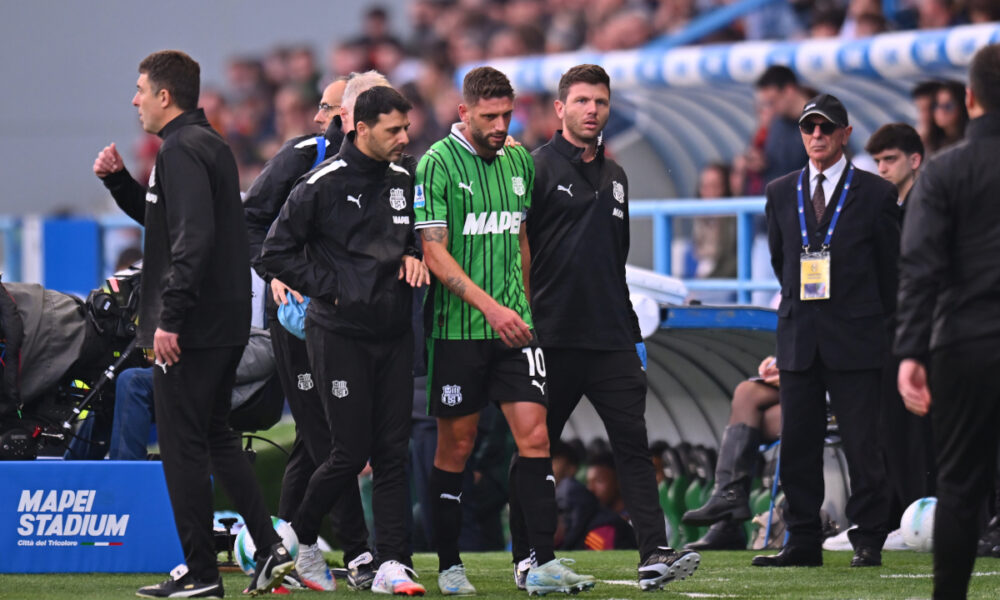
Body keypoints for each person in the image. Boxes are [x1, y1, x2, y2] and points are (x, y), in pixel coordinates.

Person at [92, 49, 292, 598]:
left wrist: (170, 319)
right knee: (215, 437)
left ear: (164, 95)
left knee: (182, 448)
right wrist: (119, 183)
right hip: (223, 323)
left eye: (140, 89)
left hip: (194, 328)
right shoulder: (206, 145)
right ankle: (269, 545)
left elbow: (192, 242)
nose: (134, 100)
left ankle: (202, 574)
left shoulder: (181, 151)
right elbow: (170, 222)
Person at [512, 63, 698, 590]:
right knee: (534, 447)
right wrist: (525, 324)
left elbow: (614, 264)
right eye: (582, 101)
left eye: (600, 101)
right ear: (560, 109)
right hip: (552, 337)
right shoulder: (534, 168)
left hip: (613, 337)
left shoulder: (617, 176)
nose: (592, 109)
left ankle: (653, 554)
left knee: (634, 446)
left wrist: (635, 337)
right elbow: (520, 253)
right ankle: (527, 555)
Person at [414, 66, 595, 597]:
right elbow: (434, 251)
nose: (499, 125)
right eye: (488, 116)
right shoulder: (436, 164)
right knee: (457, 447)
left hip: (516, 328)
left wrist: (524, 308)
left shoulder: (518, 160)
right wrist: (493, 309)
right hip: (459, 330)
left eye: (506, 114)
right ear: (463, 112)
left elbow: (519, 237)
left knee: (536, 438)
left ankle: (540, 561)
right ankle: (449, 565)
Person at [261, 85, 429, 596]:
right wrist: (333, 288)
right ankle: (293, 540)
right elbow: (275, 252)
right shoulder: (320, 183)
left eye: (406, 128)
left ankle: (394, 564)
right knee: (348, 452)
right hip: (340, 336)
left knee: (393, 452)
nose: (405, 138)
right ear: (360, 129)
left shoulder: (405, 178)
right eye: (394, 130)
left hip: (395, 334)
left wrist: (414, 252)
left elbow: (419, 233)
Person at [755, 93, 899, 569]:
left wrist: (869, 320)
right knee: (797, 441)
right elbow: (783, 264)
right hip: (801, 337)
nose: (815, 136)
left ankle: (870, 536)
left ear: (845, 134)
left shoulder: (877, 194)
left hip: (857, 338)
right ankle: (801, 538)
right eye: (808, 128)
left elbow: (889, 273)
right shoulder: (779, 192)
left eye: (825, 128)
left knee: (864, 443)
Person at [243, 73, 376, 592]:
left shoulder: (378, 165)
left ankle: (286, 545)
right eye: (322, 106)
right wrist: (275, 272)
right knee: (325, 437)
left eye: (329, 107)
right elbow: (252, 218)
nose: (320, 117)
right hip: (295, 316)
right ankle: (358, 550)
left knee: (315, 439)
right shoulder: (303, 154)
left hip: (342, 317)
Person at [896, 43, 1000, 600]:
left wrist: (910, 352)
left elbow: (920, 269)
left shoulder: (944, 172)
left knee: (959, 489)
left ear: (968, 98)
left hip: (965, 344)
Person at [683, 356, 781, 551]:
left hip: (832, 386)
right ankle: (728, 499)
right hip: (803, 378)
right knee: (746, 391)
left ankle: (727, 518)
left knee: (753, 417)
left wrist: (793, 370)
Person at [754, 66, 810, 185]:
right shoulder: (776, 124)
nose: (769, 109)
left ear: (789, 91)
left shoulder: (822, 123)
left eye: (772, 101)